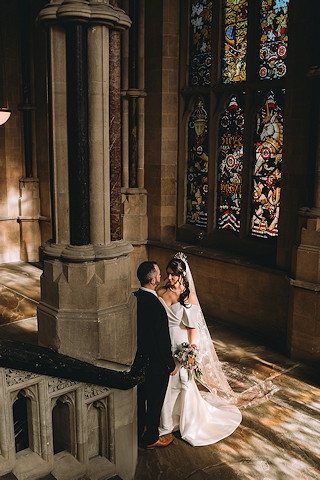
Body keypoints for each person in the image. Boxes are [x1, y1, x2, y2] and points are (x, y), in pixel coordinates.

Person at [157, 253, 243, 447]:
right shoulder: (160, 291)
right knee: (164, 383)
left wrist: (191, 352)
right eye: (167, 274)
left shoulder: (189, 296)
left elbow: (193, 329)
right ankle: (164, 420)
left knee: (181, 383)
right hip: (162, 340)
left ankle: (182, 420)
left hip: (180, 344)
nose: (169, 278)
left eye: (173, 275)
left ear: (182, 276)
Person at [134, 261, 178, 450]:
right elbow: (162, 340)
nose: (161, 277)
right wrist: (170, 364)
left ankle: (140, 428)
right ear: (152, 280)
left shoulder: (134, 297)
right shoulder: (156, 305)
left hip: (138, 358)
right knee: (155, 401)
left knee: (141, 397)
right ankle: (151, 437)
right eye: (159, 275)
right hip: (156, 363)